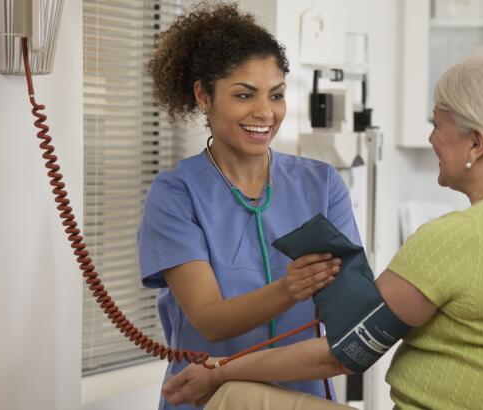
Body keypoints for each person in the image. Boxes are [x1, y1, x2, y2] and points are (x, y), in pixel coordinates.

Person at [160, 45, 483, 410]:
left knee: (230, 397)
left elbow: (347, 351)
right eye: (244, 94)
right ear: (204, 96)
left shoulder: (455, 238)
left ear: (476, 143)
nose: (431, 137)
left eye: (438, 124)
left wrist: (223, 371)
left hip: (298, 380)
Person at [137, 3, 361, 409]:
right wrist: (290, 289)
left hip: (300, 399)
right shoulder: (176, 194)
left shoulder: (322, 184)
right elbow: (208, 319)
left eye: (276, 95)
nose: (264, 112)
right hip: (210, 397)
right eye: (244, 95)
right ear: (204, 96)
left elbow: (354, 314)